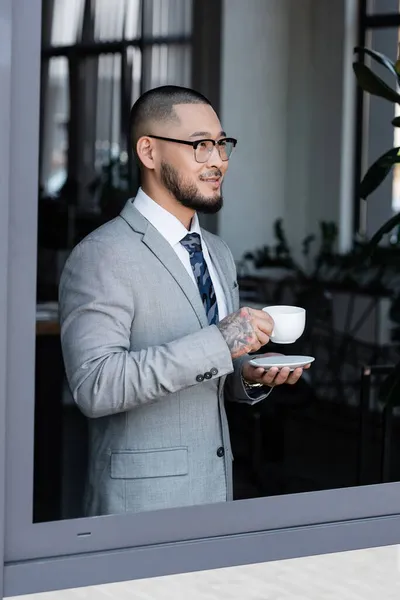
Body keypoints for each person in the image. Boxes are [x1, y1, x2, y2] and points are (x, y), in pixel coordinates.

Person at [59, 85, 308, 516]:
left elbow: (214, 372)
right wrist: (220, 340)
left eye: (222, 144)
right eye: (200, 145)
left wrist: (247, 376)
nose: (218, 160)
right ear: (149, 152)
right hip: (140, 507)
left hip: (215, 494)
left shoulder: (218, 252)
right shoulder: (101, 255)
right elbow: (94, 387)